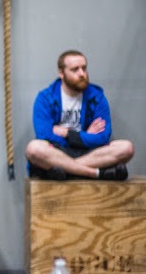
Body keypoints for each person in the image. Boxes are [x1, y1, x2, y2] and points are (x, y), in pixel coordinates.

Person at [25, 49, 134, 181]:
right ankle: (95, 173)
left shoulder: (97, 96)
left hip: (89, 152)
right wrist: (85, 136)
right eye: (75, 69)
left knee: (126, 148)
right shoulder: (45, 98)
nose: (82, 73)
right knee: (34, 149)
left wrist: (68, 134)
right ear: (61, 73)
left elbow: (103, 137)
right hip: (58, 151)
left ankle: (67, 171)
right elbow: (44, 135)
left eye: (84, 68)